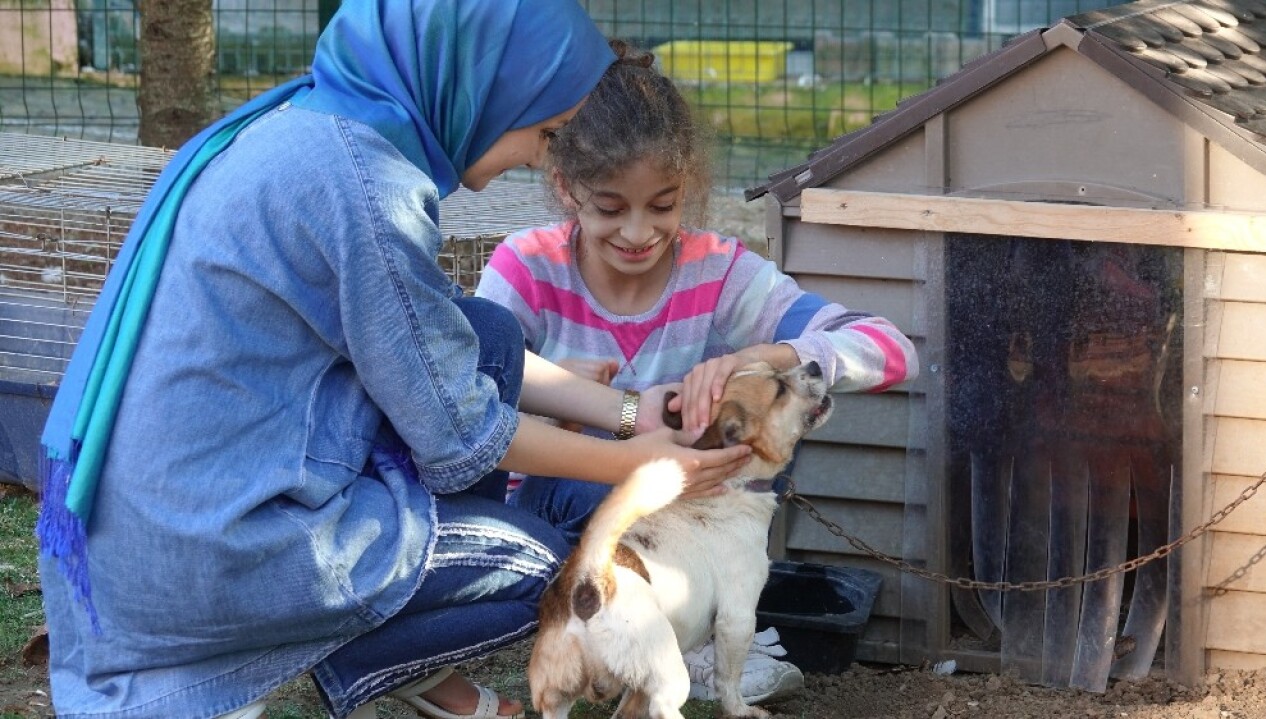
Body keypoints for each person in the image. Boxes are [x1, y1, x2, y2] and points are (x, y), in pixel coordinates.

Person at [33, 4, 753, 719]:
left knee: (491, 337)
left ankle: (366, 636)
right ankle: (341, 646)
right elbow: (465, 434)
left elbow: (442, 344)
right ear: (479, 82)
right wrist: (647, 468)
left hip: (157, 530)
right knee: (541, 567)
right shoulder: (367, 189)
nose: (541, 155)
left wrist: (629, 409)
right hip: (220, 552)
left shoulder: (311, 125)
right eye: (545, 131)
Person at [474, 42, 920, 706]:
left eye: (663, 204)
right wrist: (555, 396)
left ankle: (698, 643)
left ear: (689, 190)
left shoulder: (719, 270)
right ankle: (654, 643)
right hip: (557, 529)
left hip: (686, 534)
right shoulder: (526, 267)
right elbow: (460, 402)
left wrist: (758, 361)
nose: (638, 231)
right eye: (609, 207)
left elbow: (889, 348)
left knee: (768, 421)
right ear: (566, 189)